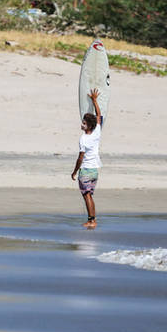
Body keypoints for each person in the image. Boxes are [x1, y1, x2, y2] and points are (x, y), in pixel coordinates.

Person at [70, 88, 103, 229]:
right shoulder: (97, 132)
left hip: (86, 170)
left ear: (88, 126)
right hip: (95, 170)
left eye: (84, 123)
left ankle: (92, 221)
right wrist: (94, 100)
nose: (81, 124)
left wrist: (74, 171)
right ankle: (92, 219)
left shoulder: (83, 139)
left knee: (87, 196)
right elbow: (99, 115)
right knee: (89, 195)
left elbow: (80, 158)